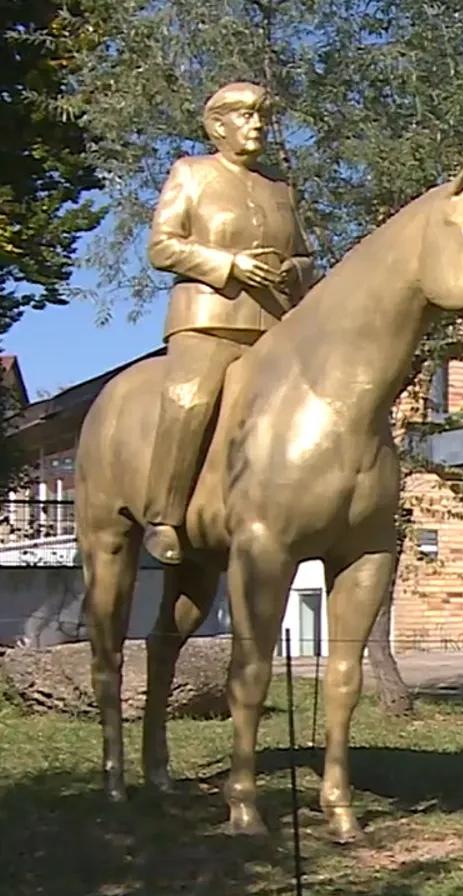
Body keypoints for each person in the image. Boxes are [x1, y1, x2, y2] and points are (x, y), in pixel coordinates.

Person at [141, 81, 314, 565]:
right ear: (218, 126)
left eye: (261, 115)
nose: (256, 124)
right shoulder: (191, 174)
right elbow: (162, 247)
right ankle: (165, 516)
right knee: (189, 402)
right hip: (207, 320)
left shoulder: (280, 189)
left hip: (275, 327)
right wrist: (231, 265)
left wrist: (292, 270)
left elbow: (305, 257)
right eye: (244, 115)